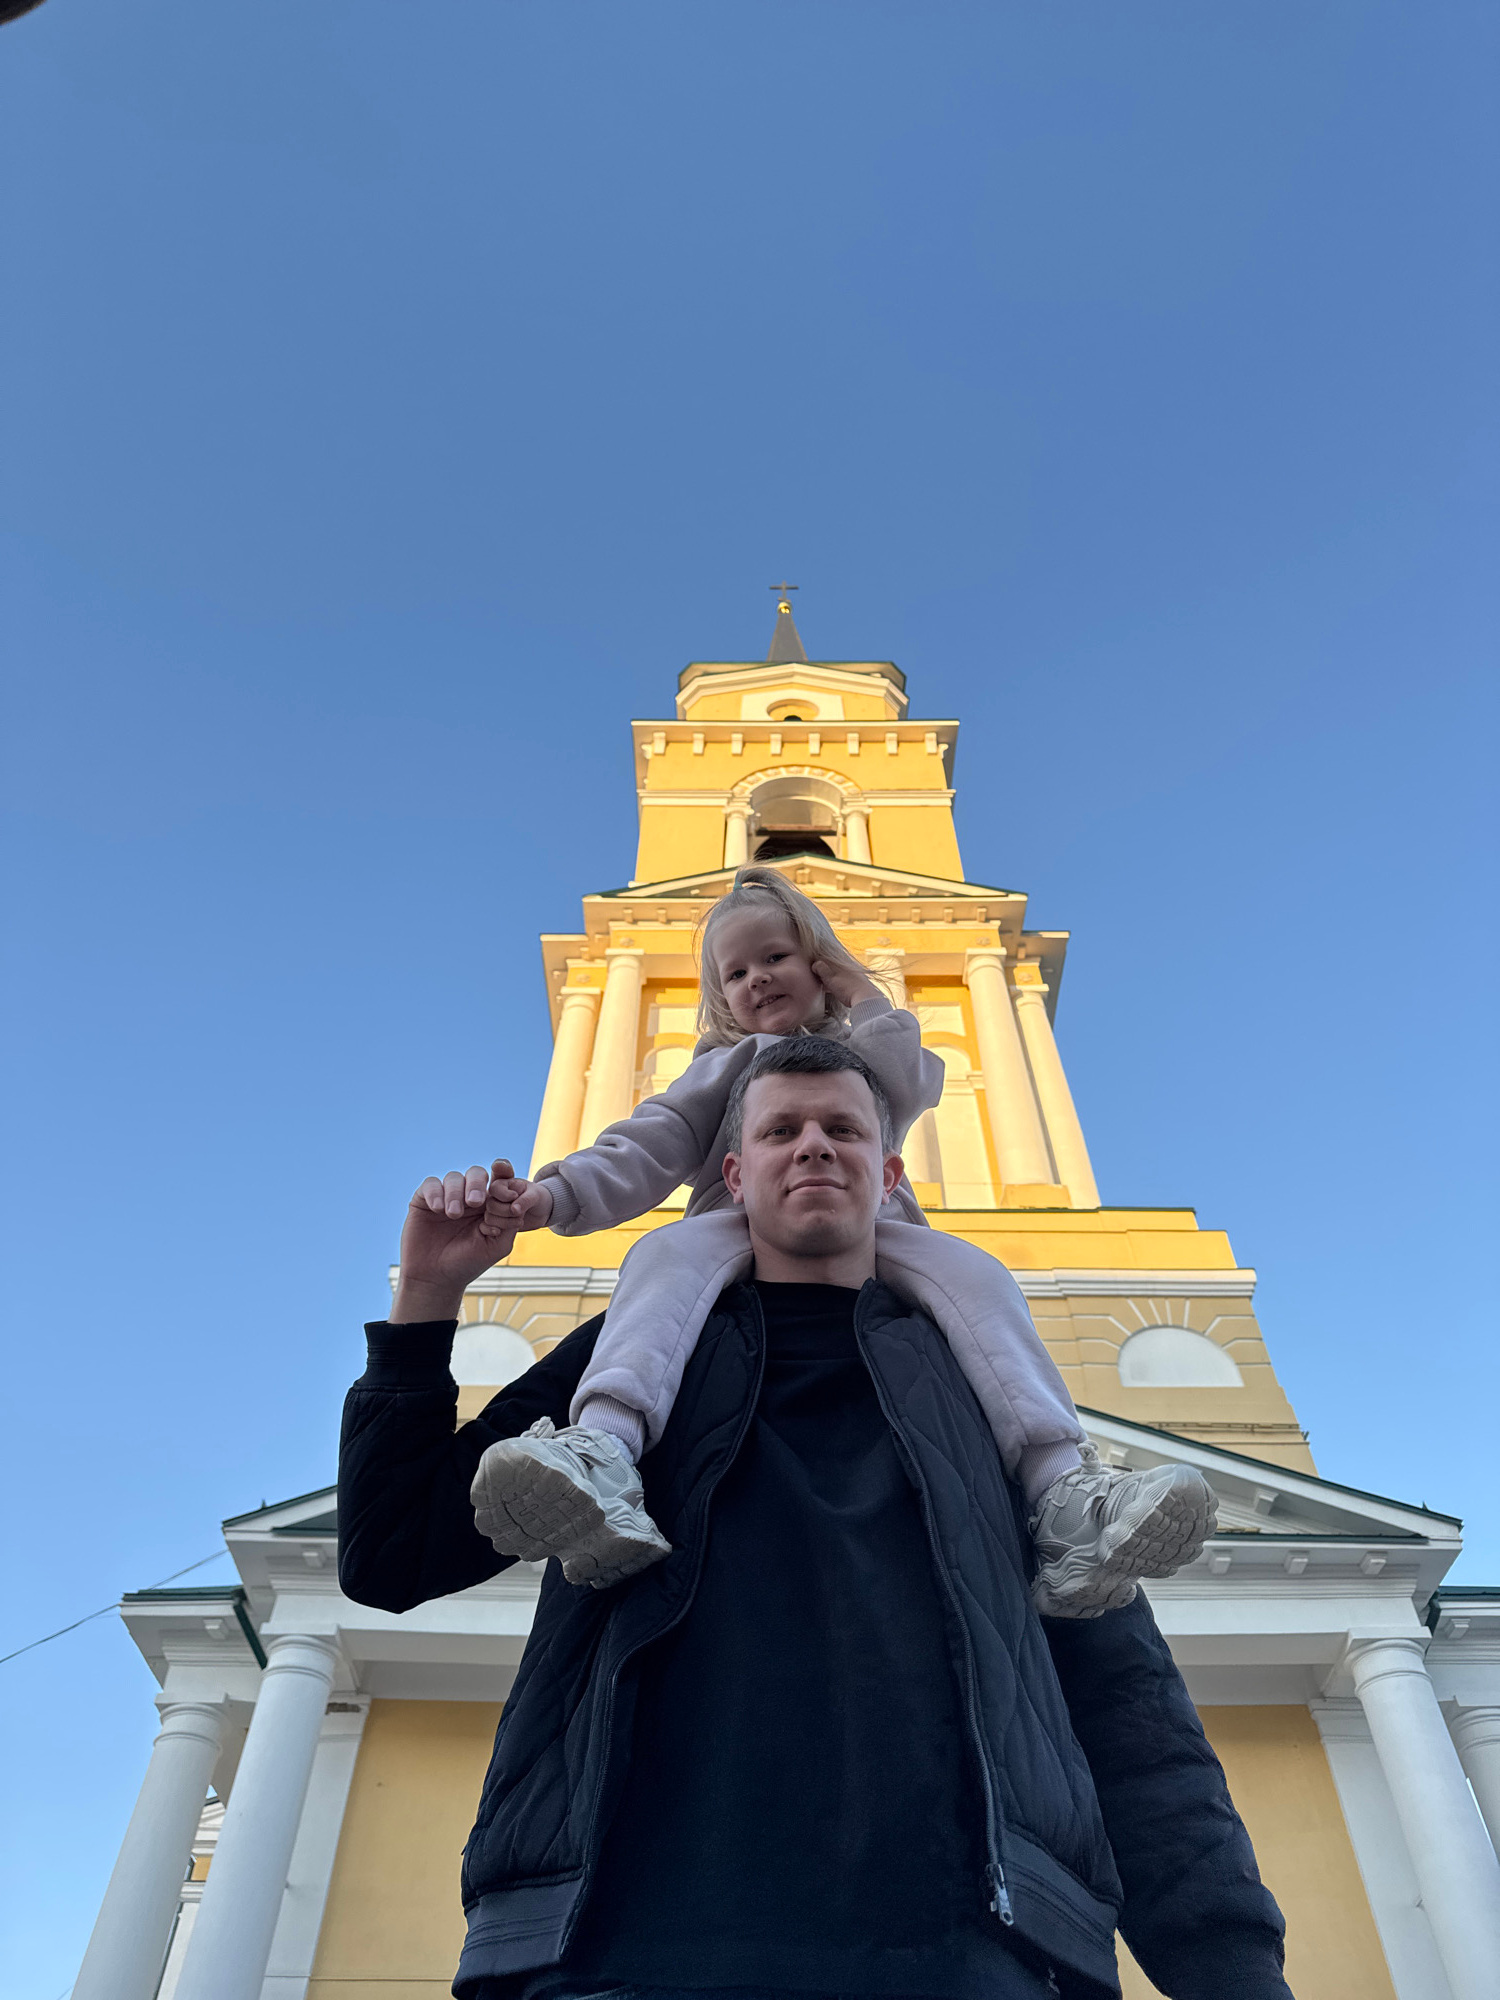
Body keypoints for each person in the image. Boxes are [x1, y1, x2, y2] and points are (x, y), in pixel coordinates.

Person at [338, 1036, 1294, 2000]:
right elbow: (391, 1553)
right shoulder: (634, 1357)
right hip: (617, 1953)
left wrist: (1234, 1969)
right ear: (731, 1175)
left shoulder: (990, 1381)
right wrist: (428, 1296)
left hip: (965, 1960)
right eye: (780, 1130)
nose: (813, 1146)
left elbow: (1120, 1692)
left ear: (890, 1176)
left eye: (842, 1127)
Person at [472, 867, 1213, 1611]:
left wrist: (860, 991)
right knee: (662, 1255)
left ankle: (1063, 1487)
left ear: (820, 964)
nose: (758, 979)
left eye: (776, 957)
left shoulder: (863, 1054)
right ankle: (604, 1447)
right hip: (739, 1227)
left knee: (979, 1275)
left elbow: (910, 1078)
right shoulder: (724, 1067)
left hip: (878, 1231)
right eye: (735, 973)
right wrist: (555, 1195)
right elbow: (649, 1143)